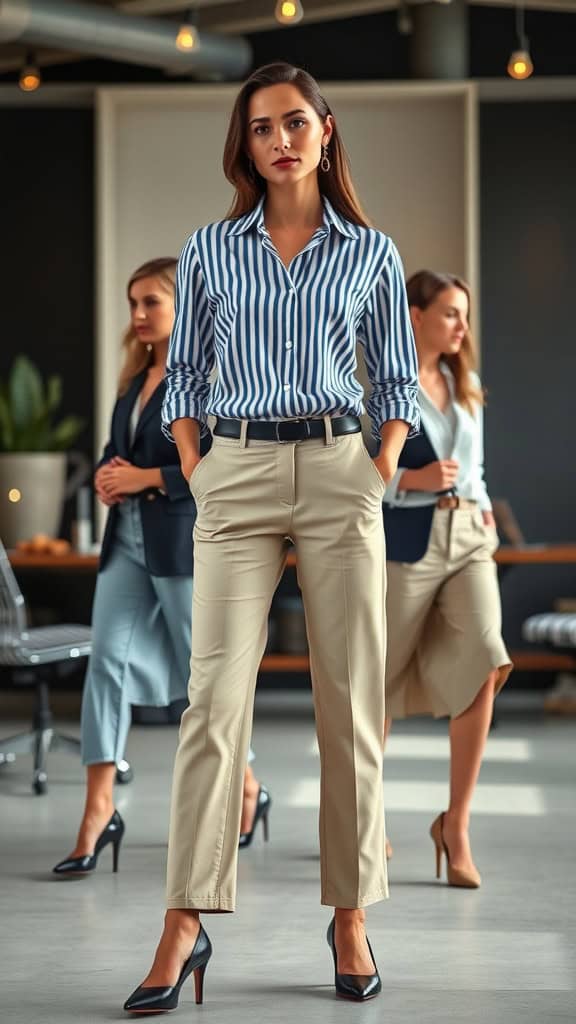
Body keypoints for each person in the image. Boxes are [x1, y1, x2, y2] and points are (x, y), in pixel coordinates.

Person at [123, 61, 419, 1014]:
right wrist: (199, 468)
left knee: (348, 706)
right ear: (244, 145)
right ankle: (185, 918)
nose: (281, 139)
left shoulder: (371, 253)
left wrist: (378, 470)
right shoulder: (209, 248)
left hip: (341, 472)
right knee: (213, 703)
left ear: (326, 132)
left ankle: (350, 915)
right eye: (262, 128)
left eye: (296, 122)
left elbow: (399, 385)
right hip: (237, 475)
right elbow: (188, 382)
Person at [53, 258, 266, 878]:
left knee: (204, 678)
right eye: (133, 304)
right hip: (126, 542)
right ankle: (97, 810)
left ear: (184, 307)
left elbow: (228, 464)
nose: (139, 315)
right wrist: (106, 474)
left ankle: (247, 784)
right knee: (106, 666)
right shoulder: (133, 380)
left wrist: (145, 477)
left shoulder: (212, 380)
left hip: (183, 544)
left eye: (151, 302)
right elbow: (117, 449)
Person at [382, 269, 512, 888]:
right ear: (414, 315)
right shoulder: (378, 385)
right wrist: (411, 481)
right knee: (373, 682)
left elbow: (474, 466)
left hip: (468, 540)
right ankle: (363, 817)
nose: (463, 326)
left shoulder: (468, 383)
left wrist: (480, 507)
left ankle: (455, 824)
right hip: (405, 542)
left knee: (486, 661)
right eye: (451, 313)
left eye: (465, 314)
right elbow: (352, 472)